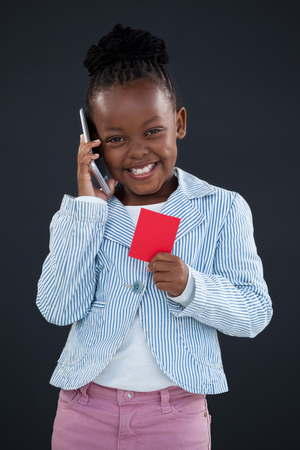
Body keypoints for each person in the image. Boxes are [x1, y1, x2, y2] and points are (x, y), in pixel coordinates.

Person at [36, 23, 273, 450]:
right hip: (84, 410)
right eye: (115, 139)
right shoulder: (83, 216)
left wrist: (191, 287)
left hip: (175, 415)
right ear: (93, 144)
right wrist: (89, 209)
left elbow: (255, 313)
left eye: (153, 131)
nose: (138, 152)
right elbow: (57, 309)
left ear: (178, 122)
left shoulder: (221, 208)